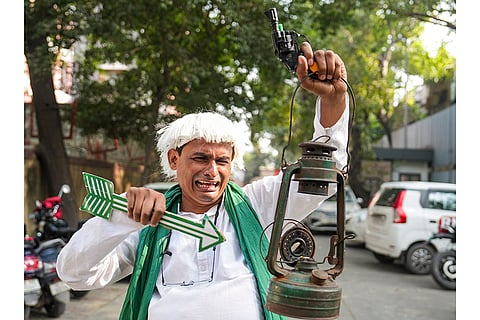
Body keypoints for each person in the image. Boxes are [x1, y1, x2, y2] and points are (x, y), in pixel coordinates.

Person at [56, 43, 350, 320]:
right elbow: (75, 275)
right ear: (174, 160)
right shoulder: (144, 226)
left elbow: (325, 175)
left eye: (222, 161)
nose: (212, 170)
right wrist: (123, 214)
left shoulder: (257, 206)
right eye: (199, 158)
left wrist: (333, 99)